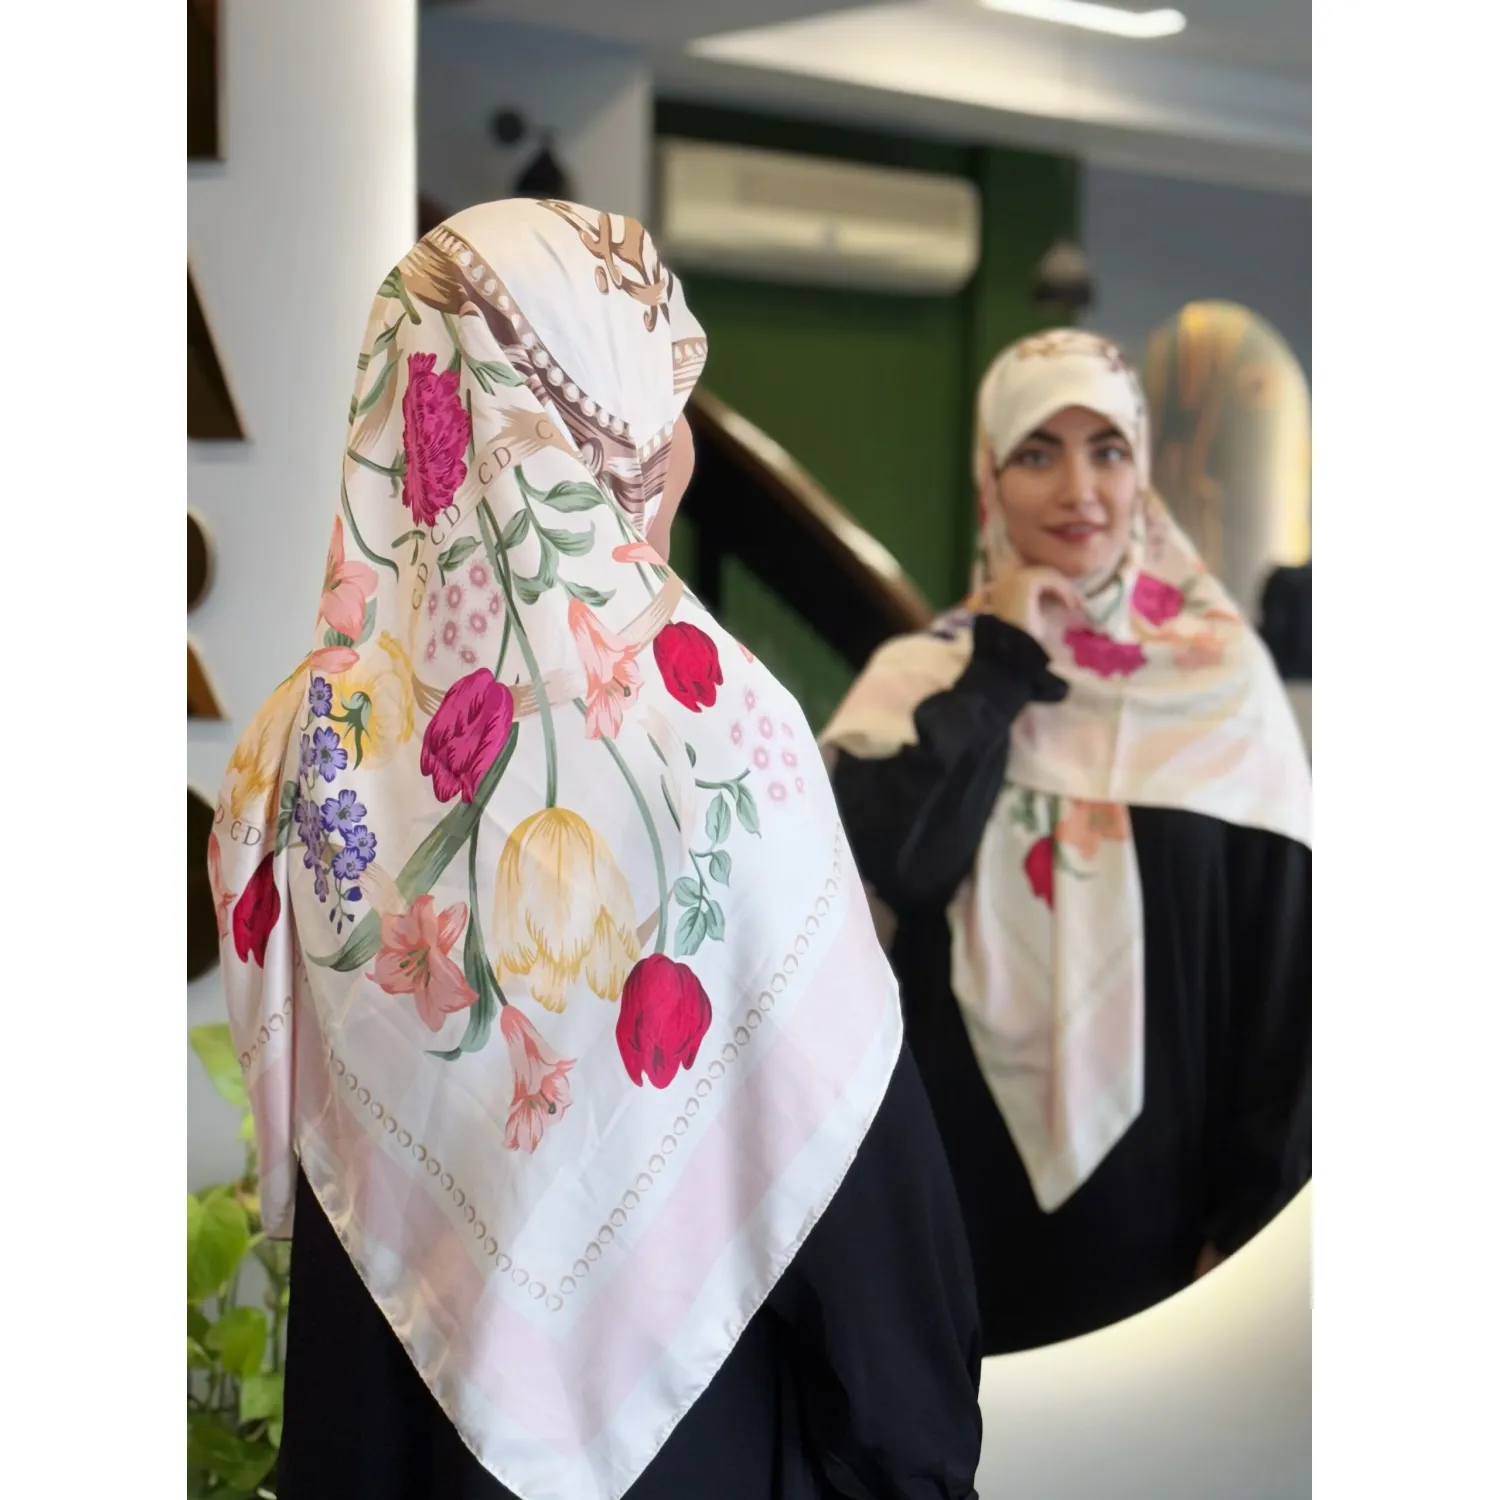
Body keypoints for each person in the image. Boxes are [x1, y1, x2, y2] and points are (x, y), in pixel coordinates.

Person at [208, 198, 983, 1500]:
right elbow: (852, 1174)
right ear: (602, 420)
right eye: (666, 399)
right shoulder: (710, 726)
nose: (684, 448)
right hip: (693, 1447)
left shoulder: (302, 741)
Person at [822, 329, 1312, 1356]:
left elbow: (1286, 988)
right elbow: (895, 866)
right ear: (990, 481)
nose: (1079, 489)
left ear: (1142, 473)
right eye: (1038, 453)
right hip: (948, 1217)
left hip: (1167, 1246)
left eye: (1108, 450)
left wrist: (1249, 1230)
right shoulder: (922, 679)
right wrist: (1001, 662)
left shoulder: (1229, 693)